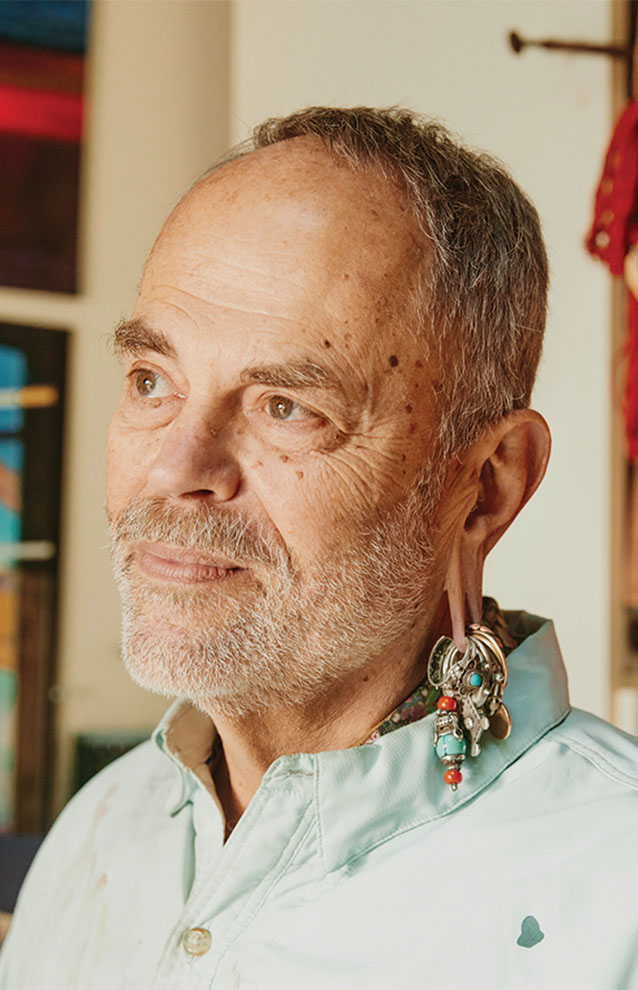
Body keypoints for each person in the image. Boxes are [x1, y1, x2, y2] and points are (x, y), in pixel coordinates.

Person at [1, 106, 637, 990]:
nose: (177, 469)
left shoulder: (617, 899)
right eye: (153, 382)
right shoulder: (98, 831)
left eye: (286, 407)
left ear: (487, 484)